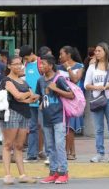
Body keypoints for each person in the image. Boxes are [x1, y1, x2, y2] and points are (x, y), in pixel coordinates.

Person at [1, 56, 39, 185]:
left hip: (25, 113)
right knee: (8, 144)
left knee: (19, 146)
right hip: (11, 113)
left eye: (20, 64)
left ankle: (22, 175)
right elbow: (18, 96)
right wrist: (27, 95)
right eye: (15, 64)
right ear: (9, 66)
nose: (18, 66)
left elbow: (31, 97)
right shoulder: (7, 81)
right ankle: (7, 175)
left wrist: (26, 96)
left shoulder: (23, 81)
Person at [38, 54, 74, 184]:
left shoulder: (59, 79)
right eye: (40, 64)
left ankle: (63, 172)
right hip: (46, 118)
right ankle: (53, 173)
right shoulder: (40, 80)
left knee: (59, 145)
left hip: (59, 117)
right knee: (50, 147)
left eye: (43, 64)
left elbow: (71, 94)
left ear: (51, 65)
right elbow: (39, 96)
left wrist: (56, 89)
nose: (40, 66)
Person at [84, 42, 109, 163]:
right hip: (97, 100)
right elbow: (86, 85)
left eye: (99, 51)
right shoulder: (92, 67)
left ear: (105, 52)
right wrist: (96, 87)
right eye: (96, 51)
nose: (96, 53)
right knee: (98, 128)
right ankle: (100, 153)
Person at [19, 45, 45, 163]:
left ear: (31, 54)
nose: (25, 60)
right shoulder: (26, 65)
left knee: (45, 128)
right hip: (30, 102)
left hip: (41, 101)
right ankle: (31, 154)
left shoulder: (41, 63)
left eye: (25, 58)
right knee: (32, 128)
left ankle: (49, 153)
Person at [58, 46, 84, 160]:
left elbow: (75, 79)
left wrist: (68, 67)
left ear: (68, 54)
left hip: (74, 101)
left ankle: (67, 152)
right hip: (63, 99)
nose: (59, 57)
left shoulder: (80, 66)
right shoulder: (58, 68)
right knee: (65, 126)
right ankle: (71, 152)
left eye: (61, 54)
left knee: (71, 127)